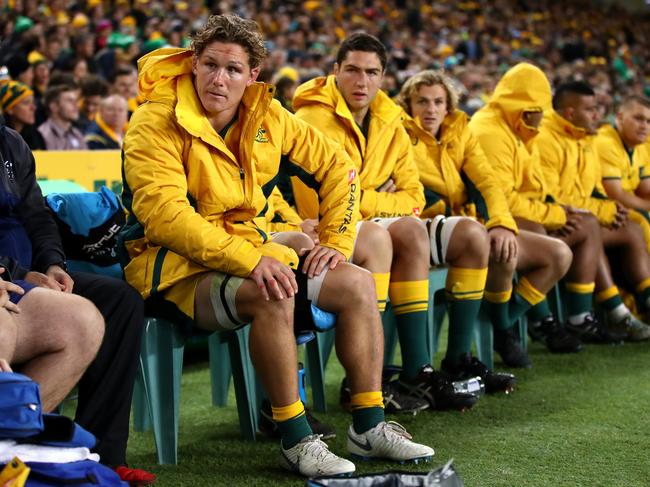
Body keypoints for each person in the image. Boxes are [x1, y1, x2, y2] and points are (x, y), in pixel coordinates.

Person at [120, 14, 433, 477]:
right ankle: (295, 437)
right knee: (275, 289)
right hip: (173, 266)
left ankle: (368, 425)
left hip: (251, 251)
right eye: (209, 65)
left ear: (253, 76)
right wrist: (252, 259)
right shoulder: (155, 119)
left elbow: (340, 169)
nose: (218, 79)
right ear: (193, 65)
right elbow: (167, 220)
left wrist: (338, 241)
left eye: (232, 69)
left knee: (358, 284)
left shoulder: (266, 114)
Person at [291, 33, 515, 395]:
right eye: (351, 70)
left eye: (371, 72)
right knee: (409, 230)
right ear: (335, 71)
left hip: (381, 220)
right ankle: (389, 374)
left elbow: (413, 197)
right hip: (332, 230)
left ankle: (452, 362)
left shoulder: (390, 119)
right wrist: (379, 197)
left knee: (472, 233)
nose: (361, 81)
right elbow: (317, 201)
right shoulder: (311, 117)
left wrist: (366, 197)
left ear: (383, 78)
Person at [0, 115, 155, 484]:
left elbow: (37, 217)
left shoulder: (10, 142)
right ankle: (18, 440)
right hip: (12, 276)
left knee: (120, 301)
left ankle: (102, 454)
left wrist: (53, 264)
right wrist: (17, 272)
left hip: (27, 272)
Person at [397, 69, 574, 367]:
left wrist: (501, 224)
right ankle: (495, 337)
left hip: (471, 226)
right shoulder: (398, 133)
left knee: (557, 254)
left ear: (448, 106)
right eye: (422, 102)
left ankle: (503, 321)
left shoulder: (460, 129)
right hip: (428, 232)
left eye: (438, 102)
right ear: (408, 104)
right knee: (501, 252)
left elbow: (487, 182)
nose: (431, 110)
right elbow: (412, 190)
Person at [469, 63, 604, 349]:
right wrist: (555, 214)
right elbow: (500, 198)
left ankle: (574, 316)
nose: (545, 116)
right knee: (536, 226)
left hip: (515, 215)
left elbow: (538, 185)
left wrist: (559, 208)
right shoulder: (490, 132)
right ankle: (527, 321)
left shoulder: (520, 128)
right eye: (542, 108)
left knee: (587, 221)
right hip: (482, 220)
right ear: (527, 107)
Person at [538, 82, 650, 341]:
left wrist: (606, 208)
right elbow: (555, 196)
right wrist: (605, 209)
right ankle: (608, 313)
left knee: (631, 228)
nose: (597, 115)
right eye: (590, 109)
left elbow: (592, 190)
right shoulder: (548, 139)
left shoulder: (583, 138)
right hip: (549, 221)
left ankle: (644, 299)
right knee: (593, 226)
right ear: (569, 113)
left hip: (576, 216)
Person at [598, 96, 650, 254]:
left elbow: (645, 189)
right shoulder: (605, 142)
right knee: (642, 220)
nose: (644, 126)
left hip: (622, 206)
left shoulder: (639, 146)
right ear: (619, 117)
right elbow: (615, 194)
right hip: (601, 206)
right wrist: (647, 206)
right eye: (639, 119)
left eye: (649, 121)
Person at [38, 83, 87, 150]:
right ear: (54, 107)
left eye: (76, 101)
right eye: (70, 101)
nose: (76, 105)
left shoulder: (77, 134)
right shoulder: (43, 135)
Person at [0, 79, 45, 150]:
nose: (33, 108)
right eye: (26, 103)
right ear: (10, 109)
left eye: (33, 102)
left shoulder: (35, 135)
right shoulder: (2, 137)